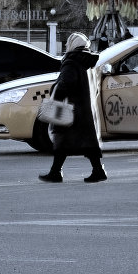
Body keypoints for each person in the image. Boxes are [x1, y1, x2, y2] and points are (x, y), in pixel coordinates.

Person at [40, 32, 105, 183]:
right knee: (86, 142)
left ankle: (56, 172)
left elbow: (65, 85)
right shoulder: (88, 62)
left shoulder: (72, 62)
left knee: (62, 139)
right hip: (85, 110)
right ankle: (97, 170)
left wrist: (55, 100)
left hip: (71, 109)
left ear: (71, 45)